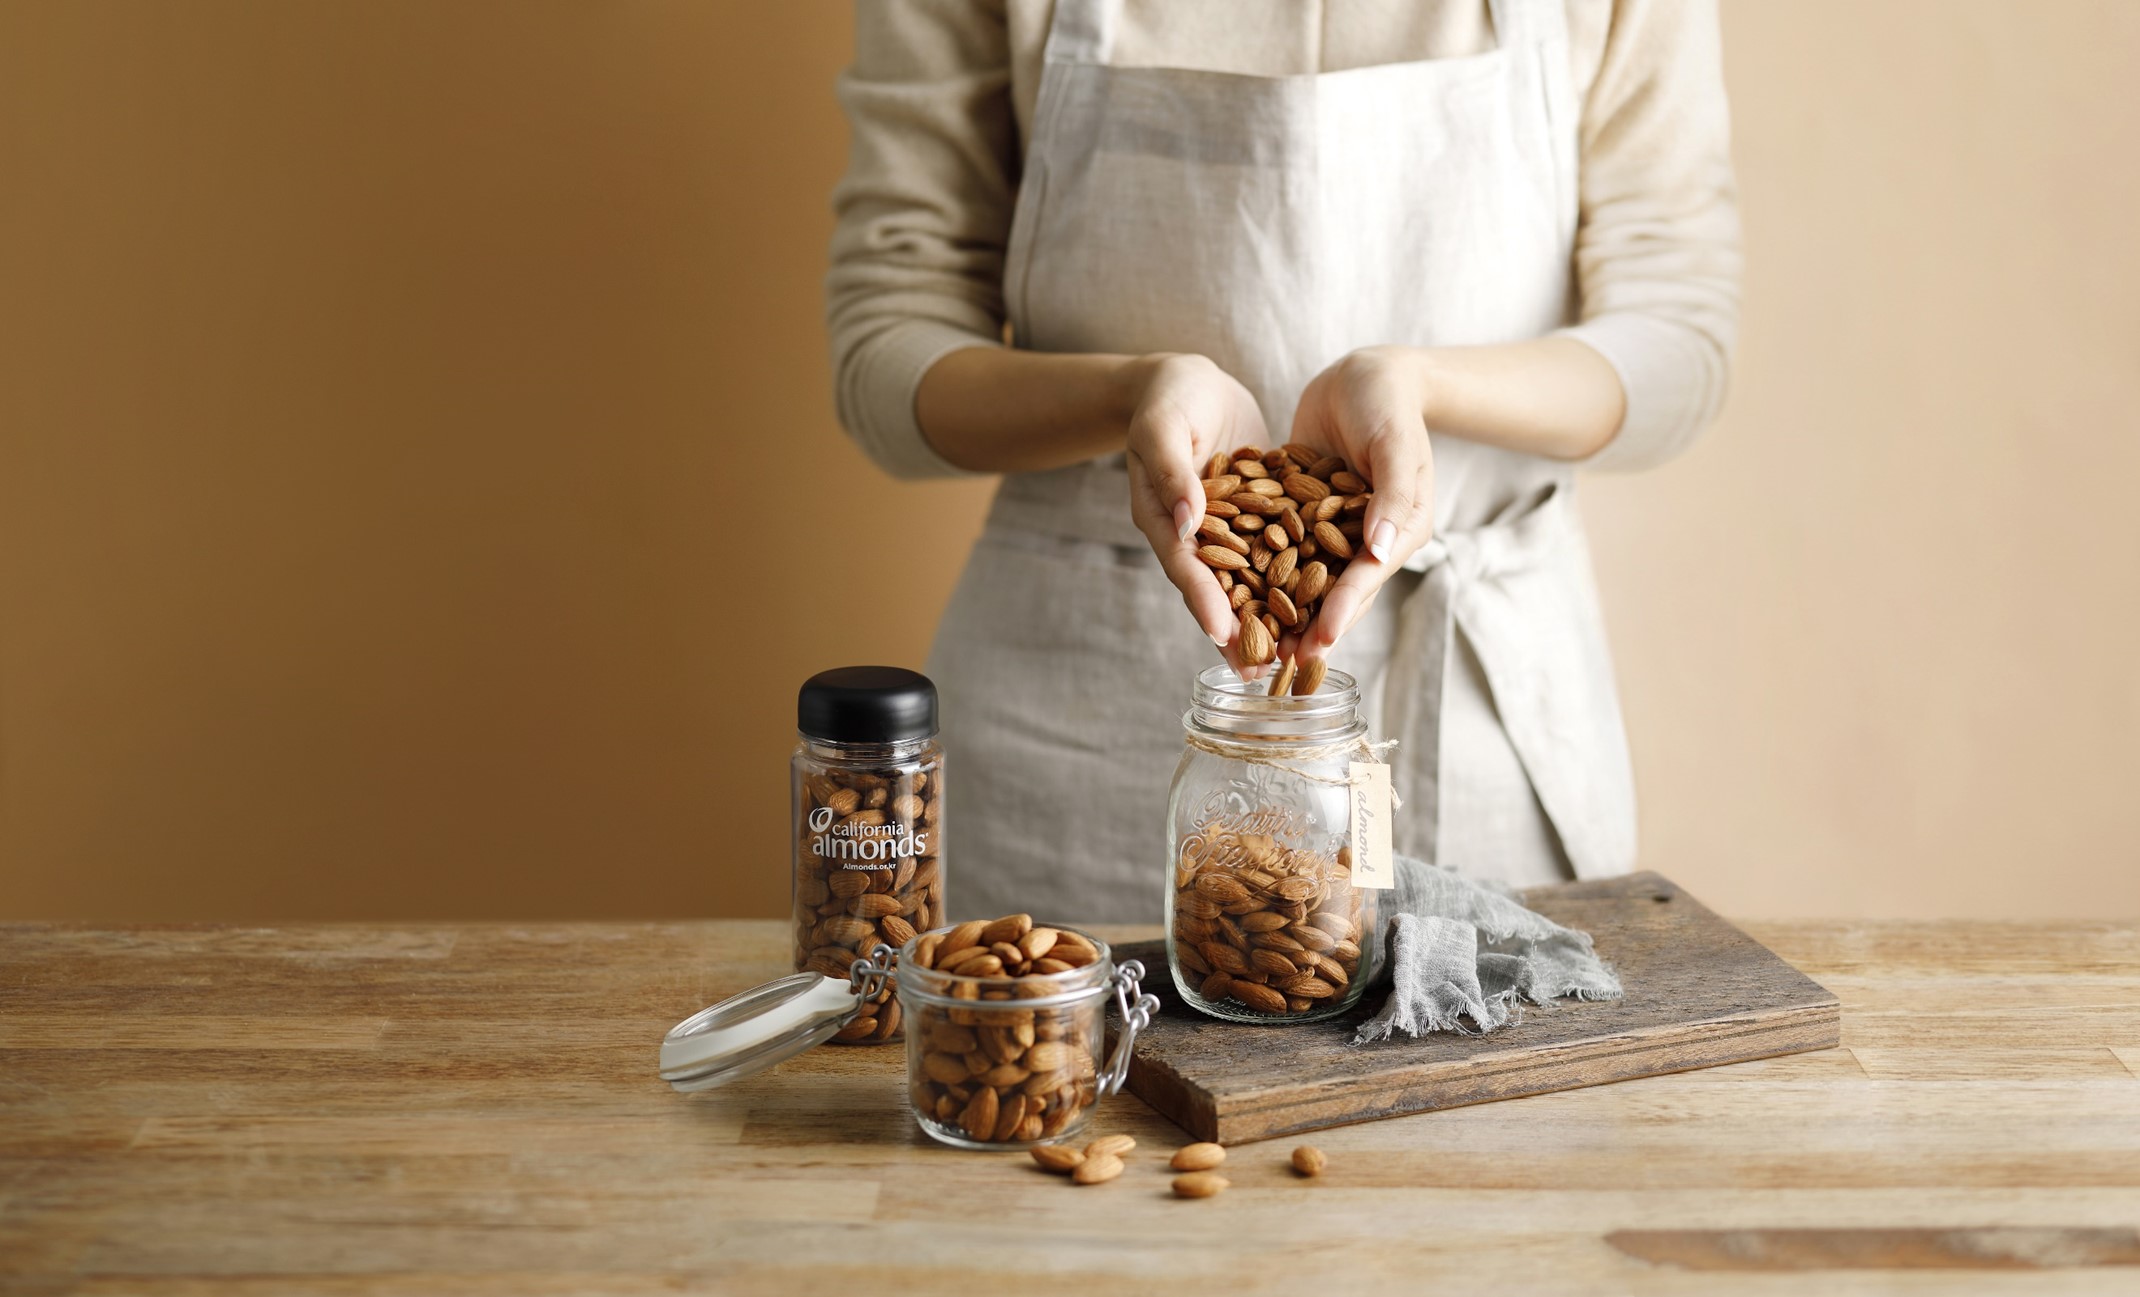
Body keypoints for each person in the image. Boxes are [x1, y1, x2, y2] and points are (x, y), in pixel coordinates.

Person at [825, 0, 1740, 922]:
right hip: (1086, 740)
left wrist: (1421, 386)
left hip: (1478, 726)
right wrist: (1129, 393)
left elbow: (1678, 332)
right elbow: (888, 343)